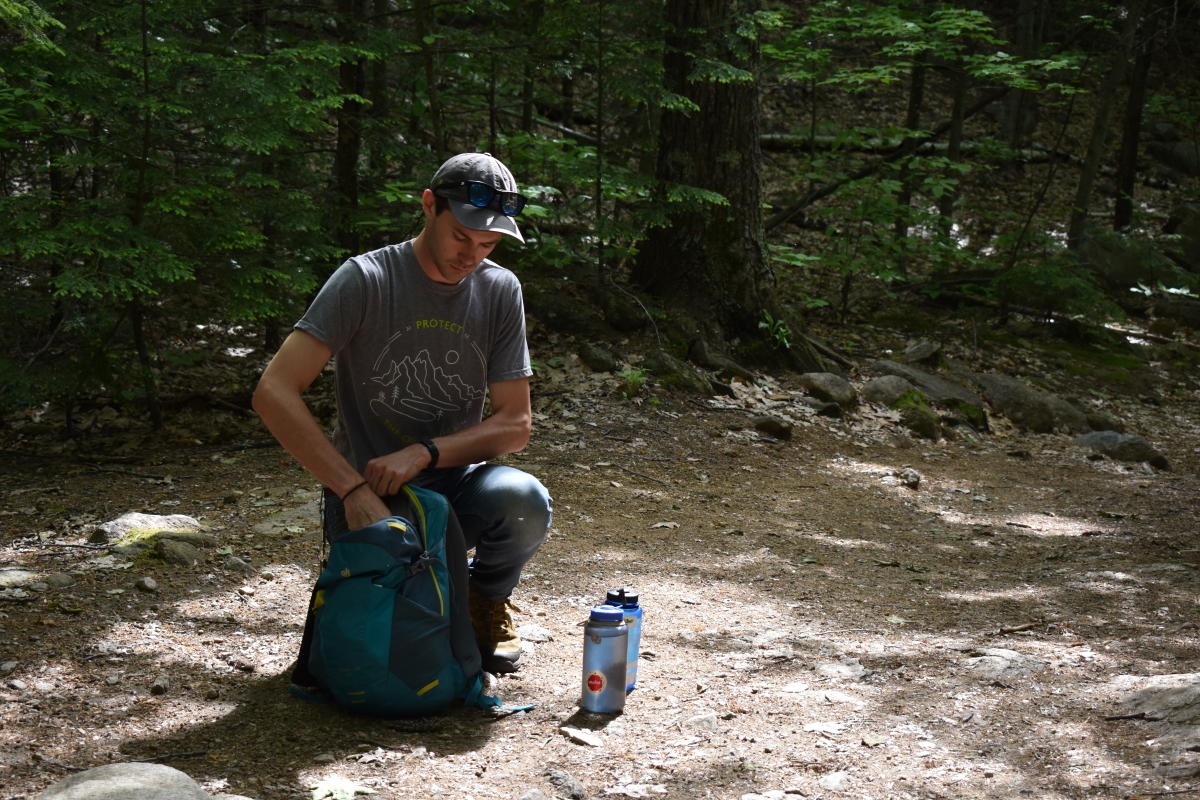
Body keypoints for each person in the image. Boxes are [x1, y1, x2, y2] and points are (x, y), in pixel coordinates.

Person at [252, 152, 552, 676]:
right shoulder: (366, 279)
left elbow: (515, 424)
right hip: (372, 493)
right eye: (462, 236)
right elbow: (273, 391)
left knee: (524, 499)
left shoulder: (500, 289)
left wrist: (425, 452)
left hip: (458, 485)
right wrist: (350, 490)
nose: (472, 256)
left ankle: (485, 601)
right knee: (388, 658)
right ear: (430, 205)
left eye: (489, 244)